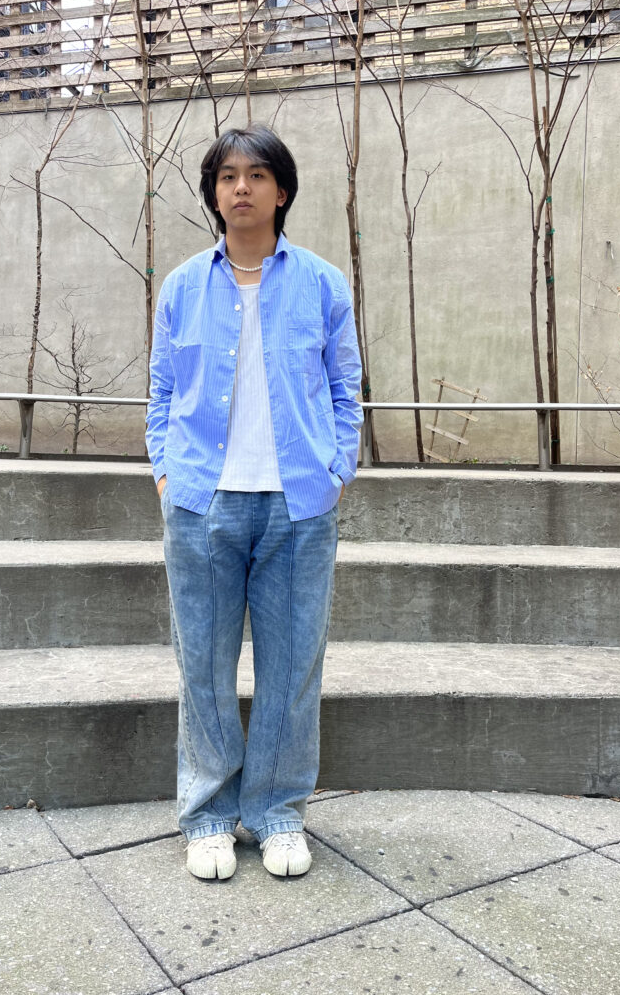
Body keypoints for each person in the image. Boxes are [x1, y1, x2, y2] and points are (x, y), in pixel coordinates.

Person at [145, 124, 362, 880]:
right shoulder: (180, 287)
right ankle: (207, 814)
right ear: (213, 193)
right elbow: (163, 393)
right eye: (227, 175)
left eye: (257, 174)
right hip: (203, 503)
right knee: (202, 666)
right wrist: (166, 474)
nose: (241, 187)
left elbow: (345, 389)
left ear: (282, 189)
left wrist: (337, 470)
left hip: (298, 506)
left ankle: (276, 813)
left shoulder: (324, 284)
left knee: (292, 667)